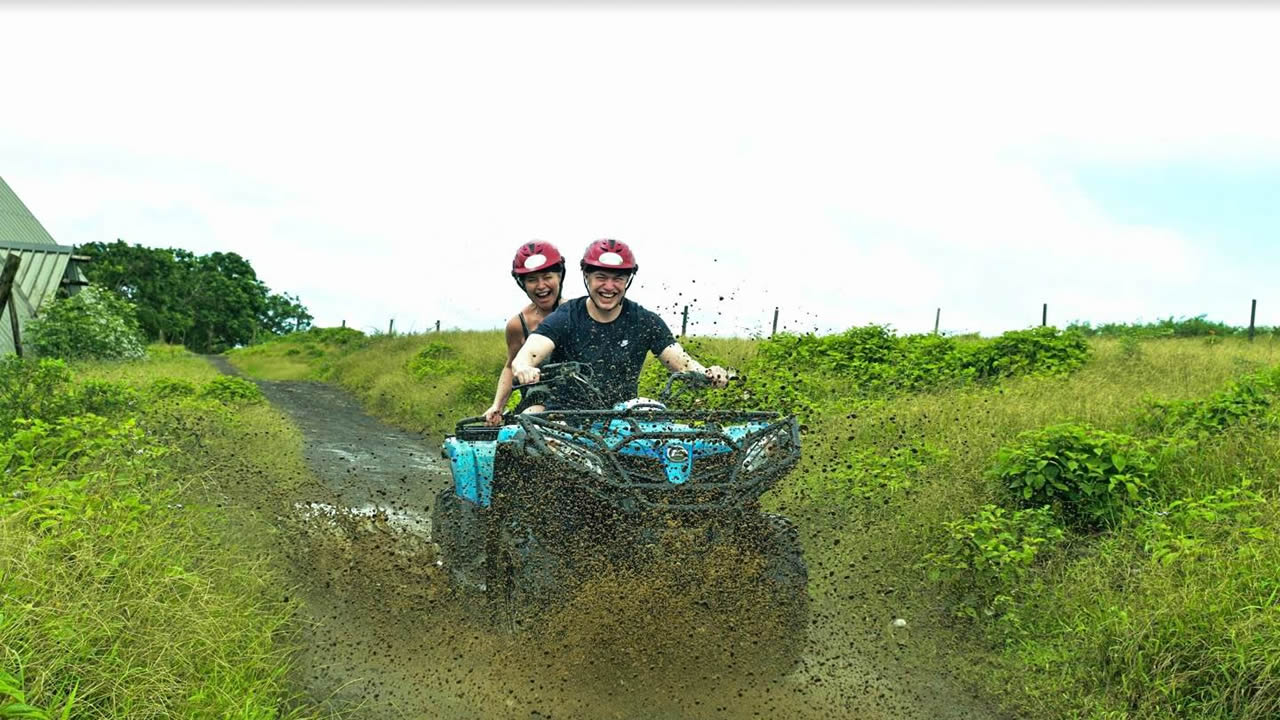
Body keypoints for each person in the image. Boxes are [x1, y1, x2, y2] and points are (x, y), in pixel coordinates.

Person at [511, 238, 728, 409]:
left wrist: (708, 374)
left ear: (628, 280)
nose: (609, 286)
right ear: (586, 276)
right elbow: (529, 353)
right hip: (566, 421)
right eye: (601, 277)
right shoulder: (566, 316)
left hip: (623, 421)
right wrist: (523, 368)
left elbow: (682, 364)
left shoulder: (644, 321)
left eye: (618, 279)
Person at [483, 241, 566, 425]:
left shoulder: (578, 314)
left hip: (580, 399)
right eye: (532, 280)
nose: (541, 285)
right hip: (538, 401)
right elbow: (509, 367)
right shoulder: (518, 325)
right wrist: (497, 405)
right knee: (531, 423)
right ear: (523, 284)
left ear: (559, 276)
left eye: (547, 277)